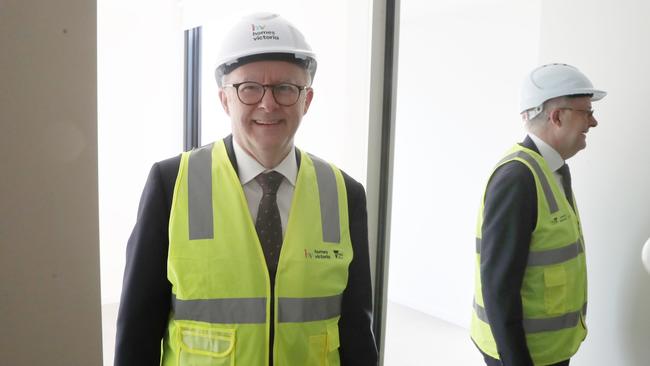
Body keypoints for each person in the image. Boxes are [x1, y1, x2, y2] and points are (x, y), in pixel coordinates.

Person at [114, 12, 378, 366]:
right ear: (225, 99)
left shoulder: (345, 193)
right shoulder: (171, 183)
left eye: (286, 88)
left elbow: (358, 331)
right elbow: (138, 329)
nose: (268, 104)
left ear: (307, 100)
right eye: (249, 88)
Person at [470, 63, 606, 366]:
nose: (593, 122)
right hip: (522, 357)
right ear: (557, 116)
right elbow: (499, 289)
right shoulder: (517, 179)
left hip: (548, 351)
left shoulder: (552, 170)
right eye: (586, 111)